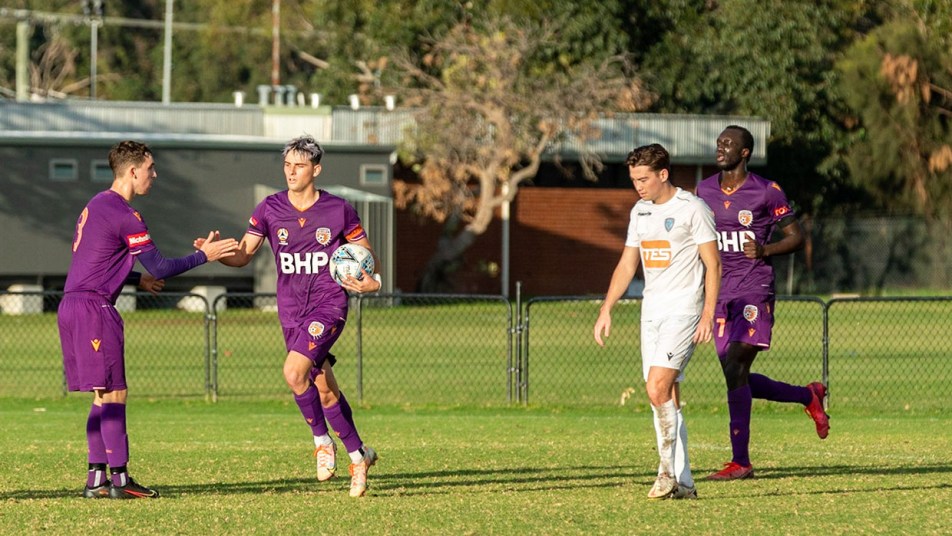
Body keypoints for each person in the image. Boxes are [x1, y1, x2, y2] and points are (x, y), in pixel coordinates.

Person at [197, 135, 382, 498]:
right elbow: (244, 255)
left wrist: (372, 283)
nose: (292, 171)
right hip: (291, 312)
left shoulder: (338, 209)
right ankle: (359, 456)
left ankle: (321, 442)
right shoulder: (269, 208)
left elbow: (364, 254)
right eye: (287, 165)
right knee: (324, 390)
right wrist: (214, 254)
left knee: (293, 372)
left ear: (316, 169)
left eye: (299, 165)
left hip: (329, 305)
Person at [58, 140, 239, 499]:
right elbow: (160, 266)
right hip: (96, 309)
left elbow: (93, 265)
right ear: (133, 171)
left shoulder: (96, 205)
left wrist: (135, 278)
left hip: (72, 306)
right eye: (151, 168)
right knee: (115, 392)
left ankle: (97, 479)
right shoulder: (125, 213)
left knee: (100, 395)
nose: (154, 175)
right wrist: (204, 255)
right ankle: (121, 481)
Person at [695, 125, 830, 481]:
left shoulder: (766, 192)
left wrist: (765, 249)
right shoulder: (703, 190)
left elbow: (796, 237)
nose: (720, 147)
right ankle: (808, 395)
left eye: (729, 144)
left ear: (745, 153)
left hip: (754, 288)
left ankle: (741, 462)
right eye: (719, 142)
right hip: (719, 292)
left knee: (737, 362)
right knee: (733, 373)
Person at [594, 143, 721, 500]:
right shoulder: (640, 212)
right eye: (634, 179)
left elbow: (713, 264)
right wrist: (607, 307)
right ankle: (686, 483)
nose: (638, 185)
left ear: (663, 174)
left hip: (685, 310)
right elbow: (627, 264)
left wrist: (708, 314)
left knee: (656, 387)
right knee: (664, 396)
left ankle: (665, 473)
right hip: (651, 312)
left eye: (644, 178)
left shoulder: (692, 209)